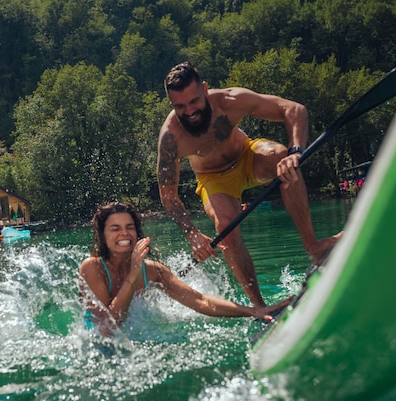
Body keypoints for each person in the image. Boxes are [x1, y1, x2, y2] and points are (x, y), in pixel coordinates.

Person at [157, 61, 341, 307]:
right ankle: (260, 306)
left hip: (247, 156)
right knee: (226, 228)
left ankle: (314, 247)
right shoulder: (171, 137)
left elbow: (294, 110)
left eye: (194, 102)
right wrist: (192, 234)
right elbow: (168, 195)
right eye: (180, 106)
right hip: (213, 178)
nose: (189, 111)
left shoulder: (230, 101)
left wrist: (296, 152)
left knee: (281, 157)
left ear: (205, 89)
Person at [78, 202, 291, 335]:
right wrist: (133, 274)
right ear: (102, 236)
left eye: (129, 227)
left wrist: (253, 311)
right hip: (98, 347)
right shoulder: (92, 268)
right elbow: (107, 328)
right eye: (115, 229)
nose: (124, 234)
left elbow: (201, 300)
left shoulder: (153, 271)